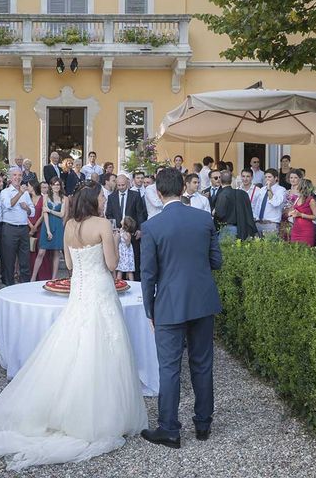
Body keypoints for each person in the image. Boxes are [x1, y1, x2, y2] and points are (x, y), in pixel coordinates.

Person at [0, 180, 147, 470]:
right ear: (93, 199)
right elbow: (112, 264)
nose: (104, 200)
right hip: (99, 290)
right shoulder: (101, 224)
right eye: (101, 196)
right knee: (103, 344)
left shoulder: (70, 225)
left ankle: (61, 408)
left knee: (72, 342)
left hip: (79, 291)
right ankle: (98, 414)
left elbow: (70, 265)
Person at [140, 167, 222, 449]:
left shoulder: (152, 226)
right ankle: (203, 424)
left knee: (169, 367)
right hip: (202, 299)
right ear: (183, 187)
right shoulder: (203, 219)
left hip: (170, 303)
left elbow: (148, 275)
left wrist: (150, 310)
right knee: (202, 363)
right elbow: (216, 261)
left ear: (158, 192)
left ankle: (169, 429)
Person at [105, 174, 146, 280]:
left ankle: (135, 282)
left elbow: (140, 213)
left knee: (134, 258)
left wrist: (140, 229)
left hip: (132, 231)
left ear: (127, 183)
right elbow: (108, 214)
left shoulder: (135, 195)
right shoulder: (111, 197)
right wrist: (113, 227)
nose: (121, 187)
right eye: (118, 185)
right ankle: (119, 282)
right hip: (117, 232)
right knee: (118, 258)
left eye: (123, 185)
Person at [0, 168, 35, 285]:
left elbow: (33, 211)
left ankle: (24, 286)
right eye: (15, 175)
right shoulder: (5, 192)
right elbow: (8, 205)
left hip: (23, 229)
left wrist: (28, 209)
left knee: (25, 260)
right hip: (10, 228)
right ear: (10, 177)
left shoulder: (26, 193)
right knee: (9, 260)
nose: (17, 177)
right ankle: (9, 286)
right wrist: (20, 193)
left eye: (20, 175)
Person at [32, 177, 67, 280]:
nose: (56, 186)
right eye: (54, 184)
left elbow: (62, 214)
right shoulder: (46, 197)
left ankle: (53, 278)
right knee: (41, 252)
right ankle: (33, 277)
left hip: (58, 226)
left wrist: (50, 210)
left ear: (60, 186)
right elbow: (45, 214)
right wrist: (47, 230)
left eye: (58, 184)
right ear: (51, 186)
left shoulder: (63, 198)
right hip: (47, 226)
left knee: (56, 253)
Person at [213, 171, 258, 241]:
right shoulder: (243, 193)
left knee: (226, 251)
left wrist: (214, 213)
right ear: (231, 180)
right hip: (243, 229)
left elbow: (220, 214)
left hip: (227, 228)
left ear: (220, 180)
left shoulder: (223, 194)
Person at [27, 181, 51, 282]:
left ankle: (43, 275)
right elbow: (23, 212)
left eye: (28, 185)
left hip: (40, 227)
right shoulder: (26, 197)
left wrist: (35, 226)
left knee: (41, 252)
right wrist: (30, 226)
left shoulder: (43, 198)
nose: (27, 187)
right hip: (28, 226)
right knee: (30, 251)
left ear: (32, 187)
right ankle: (31, 275)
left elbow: (43, 214)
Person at [256, 169, 286, 237]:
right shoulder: (262, 189)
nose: (267, 179)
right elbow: (258, 205)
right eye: (266, 177)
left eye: (269, 177)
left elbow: (275, 203)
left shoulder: (281, 190)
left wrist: (269, 188)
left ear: (276, 178)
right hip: (259, 223)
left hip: (271, 224)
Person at [289, 179, 316, 246]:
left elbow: (315, 216)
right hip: (296, 229)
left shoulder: (311, 200)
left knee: (305, 250)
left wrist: (300, 214)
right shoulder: (298, 198)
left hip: (306, 230)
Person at [281, 168, 304, 240]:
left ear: (300, 179)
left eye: (295, 178)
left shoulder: (302, 193)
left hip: (296, 220)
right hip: (284, 219)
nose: (293, 180)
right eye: (291, 177)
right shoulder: (286, 192)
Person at [116, 216, 136, 281]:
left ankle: (132, 282)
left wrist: (123, 234)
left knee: (129, 270)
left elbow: (128, 243)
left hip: (127, 254)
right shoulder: (121, 230)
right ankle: (118, 283)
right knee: (120, 269)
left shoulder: (127, 233)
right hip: (122, 253)